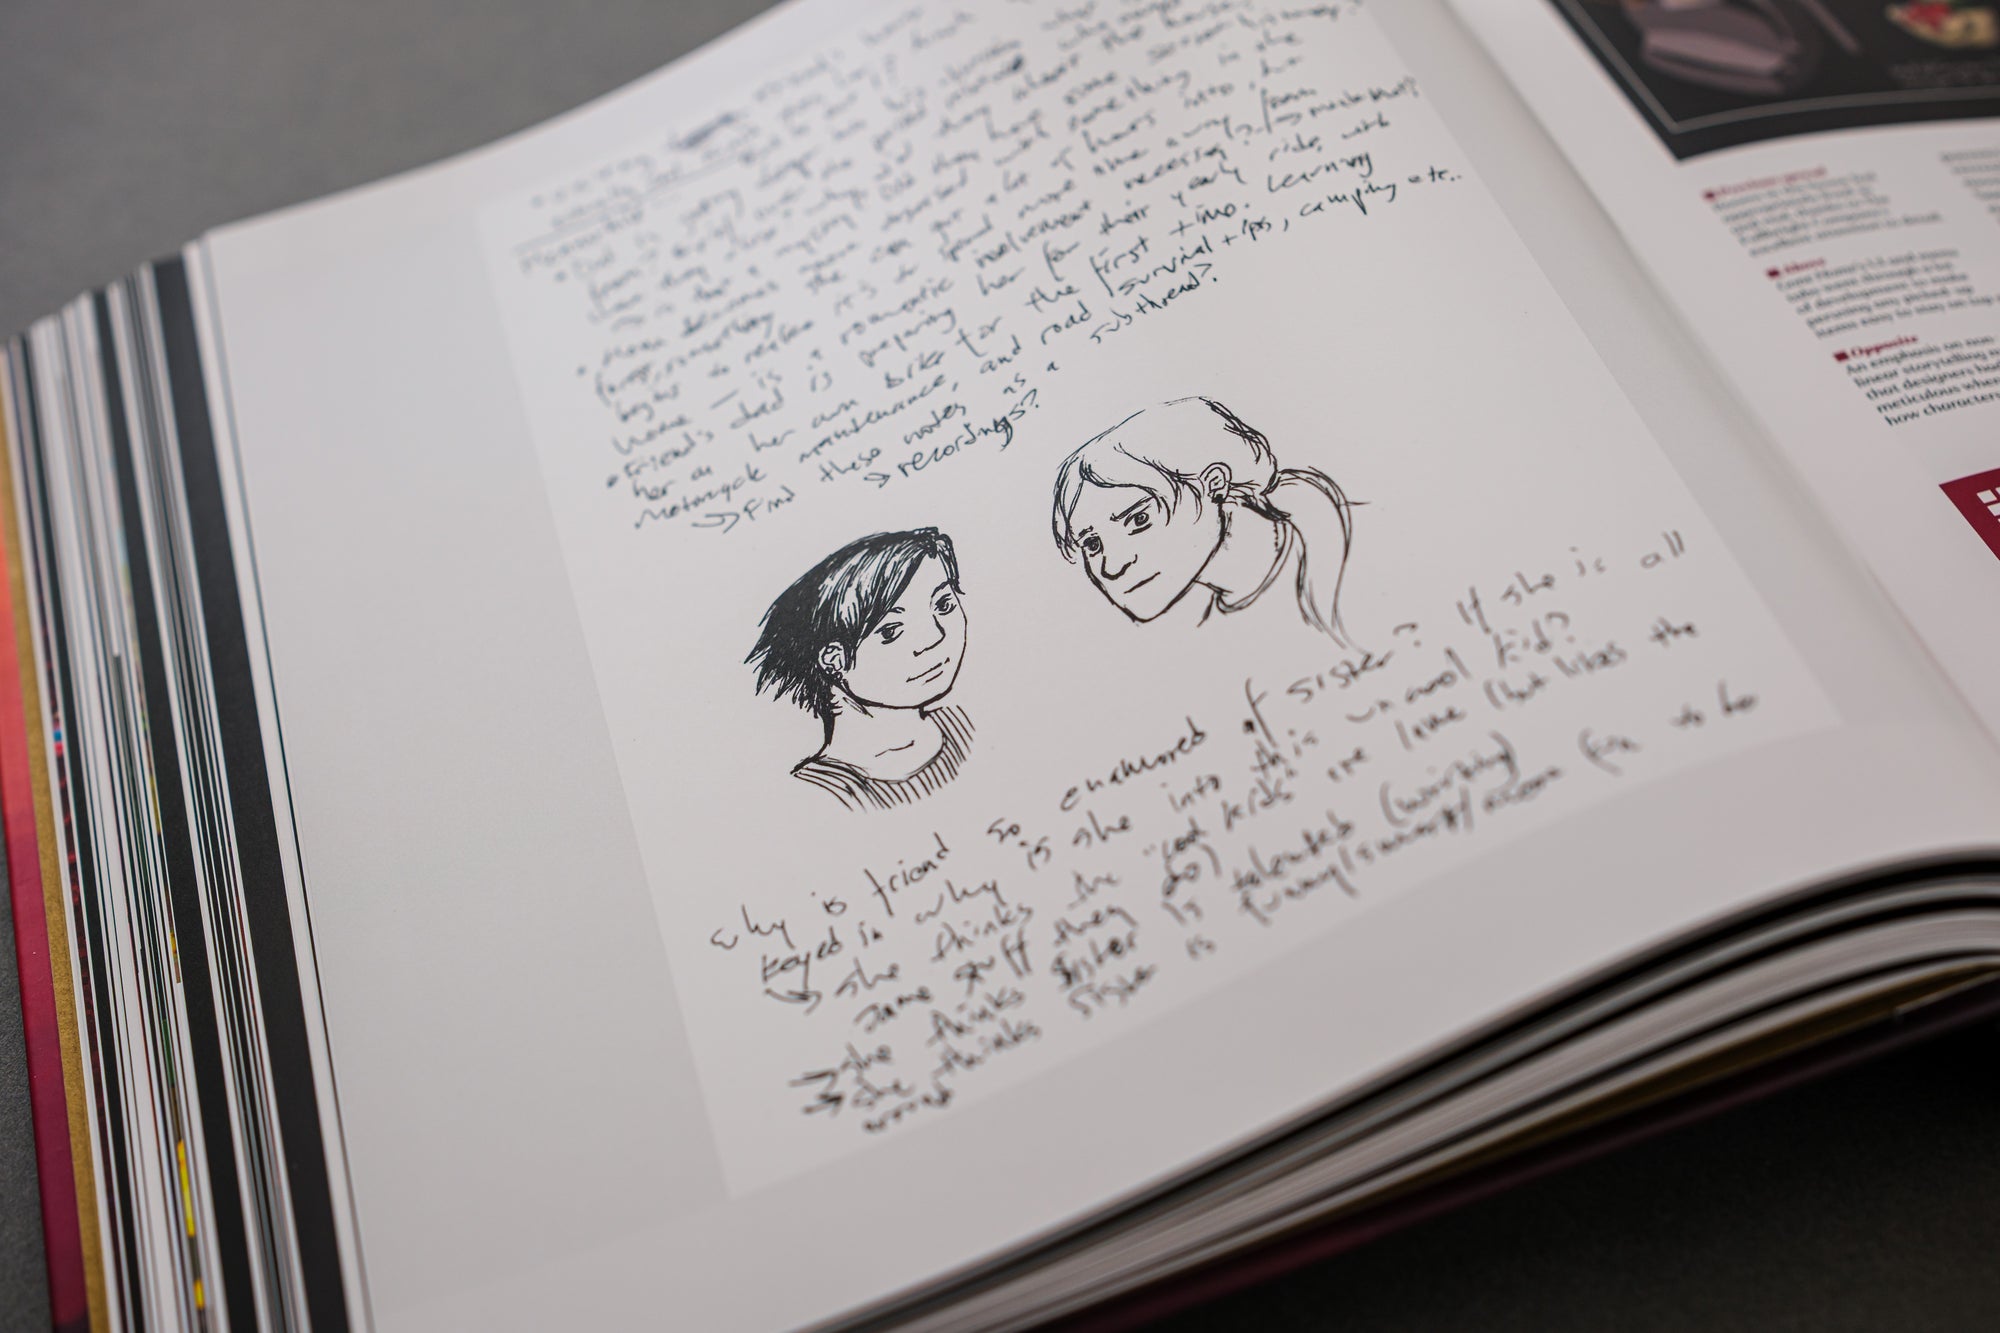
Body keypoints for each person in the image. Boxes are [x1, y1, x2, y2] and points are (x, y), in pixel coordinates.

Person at [1050, 397, 1354, 643]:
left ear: (1214, 484)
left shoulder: (1342, 549)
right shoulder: (1205, 636)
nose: (1112, 567)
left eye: (1140, 519)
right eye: (1092, 544)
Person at [747, 528, 973, 811]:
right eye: (891, 631)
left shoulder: (963, 726)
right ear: (833, 660)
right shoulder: (818, 794)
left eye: (943, 604)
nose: (934, 637)